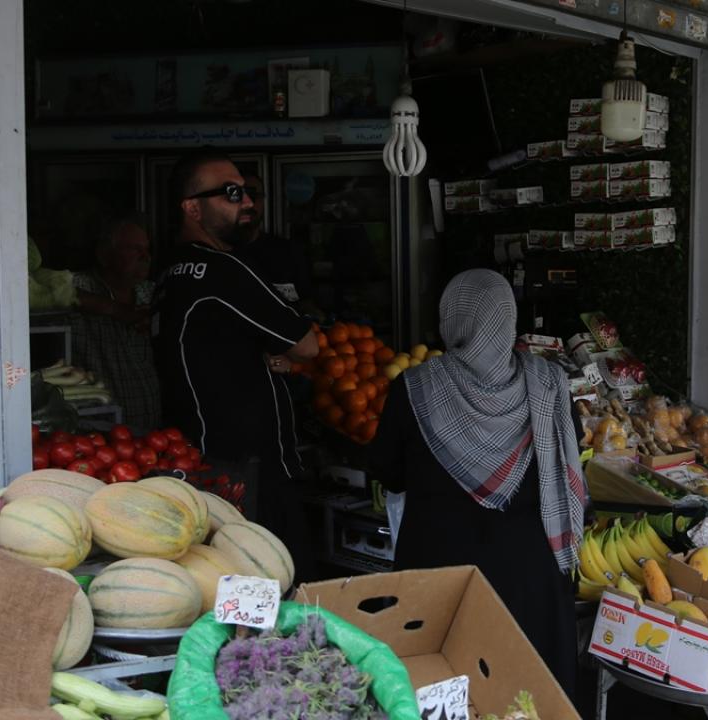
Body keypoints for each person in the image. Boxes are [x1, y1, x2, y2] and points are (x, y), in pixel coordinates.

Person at [370, 269, 587, 701]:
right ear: (507, 320)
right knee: (529, 697)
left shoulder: (416, 387)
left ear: (453, 320)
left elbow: (388, 471)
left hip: (439, 578)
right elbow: (571, 457)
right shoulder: (549, 384)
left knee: (445, 694)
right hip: (531, 578)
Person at [153, 148, 319, 562]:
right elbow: (307, 344)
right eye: (230, 193)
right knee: (279, 583)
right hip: (248, 469)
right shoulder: (224, 271)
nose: (246, 202)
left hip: (196, 460)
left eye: (245, 191)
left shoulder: (168, 269)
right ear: (192, 208)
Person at [71, 211, 161, 430]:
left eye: (147, 250)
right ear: (104, 255)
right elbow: (36, 295)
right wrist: (115, 310)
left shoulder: (150, 293)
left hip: (150, 428)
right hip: (97, 428)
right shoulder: (81, 286)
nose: (145, 257)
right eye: (134, 249)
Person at [233, 173, 319, 317]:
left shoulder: (289, 252)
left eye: (253, 195)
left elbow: (306, 302)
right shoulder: (213, 254)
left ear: (263, 200)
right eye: (236, 195)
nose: (246, 203)